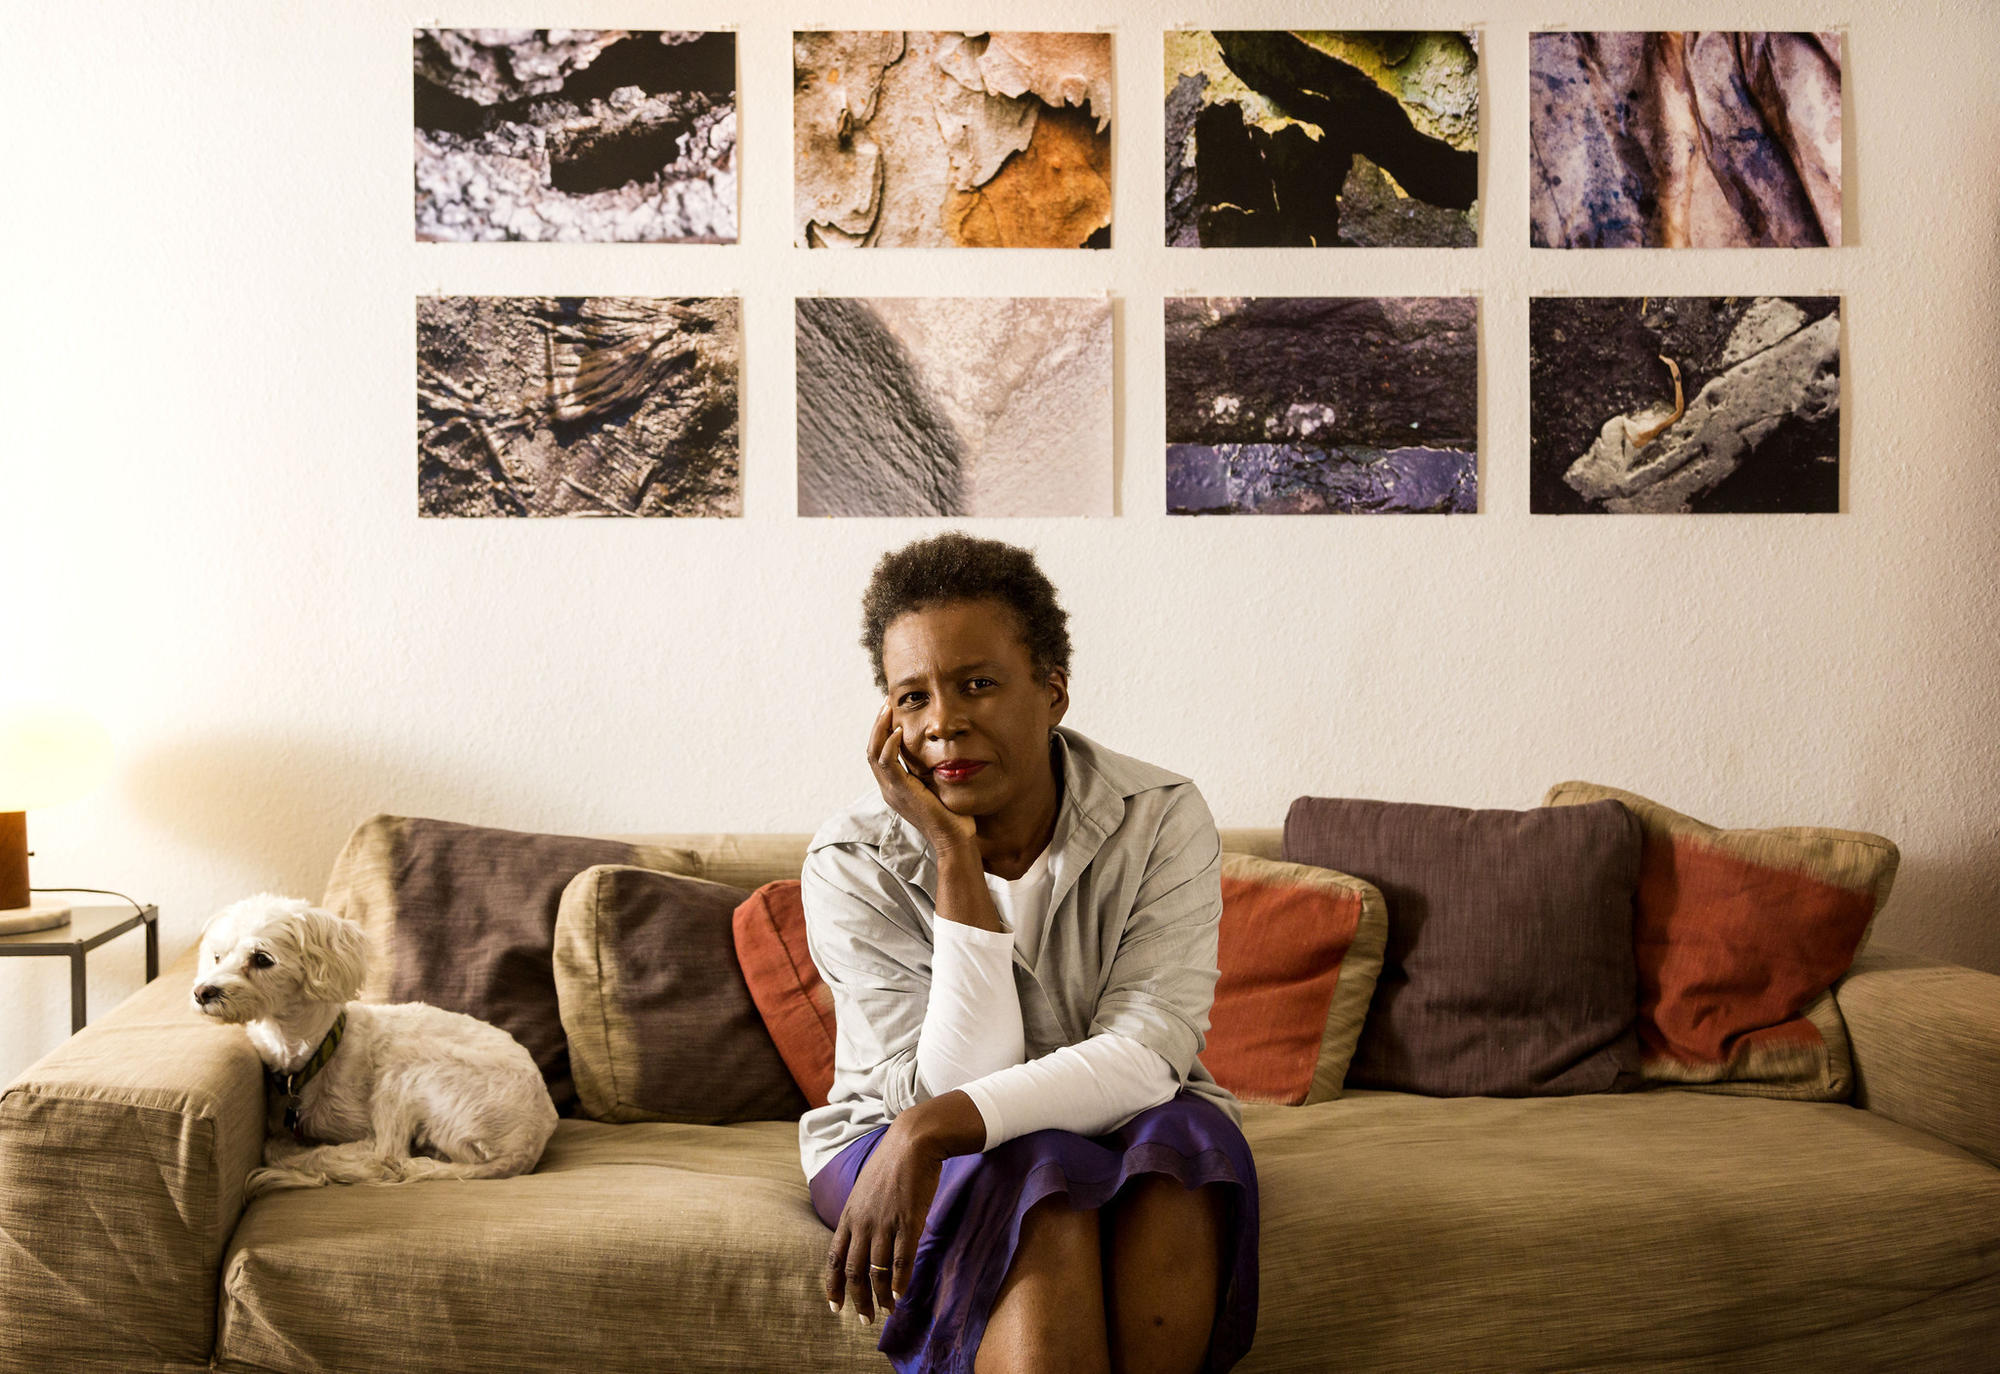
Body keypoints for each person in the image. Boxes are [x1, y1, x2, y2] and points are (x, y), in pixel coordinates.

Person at [800, 531, 1258, 1374]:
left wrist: (928, 1130)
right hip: (882, 1134)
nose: (942, 723)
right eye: (912, 699)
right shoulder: (853, 861)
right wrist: (950, 855)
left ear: (1052, 693)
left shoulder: (1157, 815)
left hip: (1071, 1115)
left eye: (976, 684)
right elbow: (947, 1078)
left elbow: (1150, 1051)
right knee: (1041, 1171)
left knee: (1189, 1143)